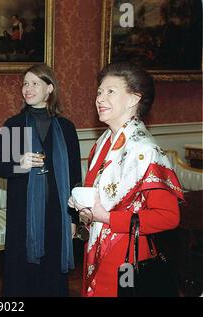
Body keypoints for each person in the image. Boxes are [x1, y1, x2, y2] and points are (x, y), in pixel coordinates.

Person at [68, 61, 183, 297]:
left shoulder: (146, 152)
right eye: (99, 92)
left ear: (133, 99)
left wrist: (107, 217)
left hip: (127, 258)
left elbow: (168, 217)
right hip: (96, 250)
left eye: (110, 91)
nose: (100, 98)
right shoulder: (103, 143)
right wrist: (84, 210)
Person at [0, 63, 82, 297]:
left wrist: (74, 219)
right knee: (22, 271)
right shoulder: (14, 125)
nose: (27, 89)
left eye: (34, 83)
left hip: (57, 213)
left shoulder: (66, 127)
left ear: (49, 88)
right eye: (25, 83)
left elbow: (75, 177)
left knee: (52, 272)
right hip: (24, 213)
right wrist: (19, 164)